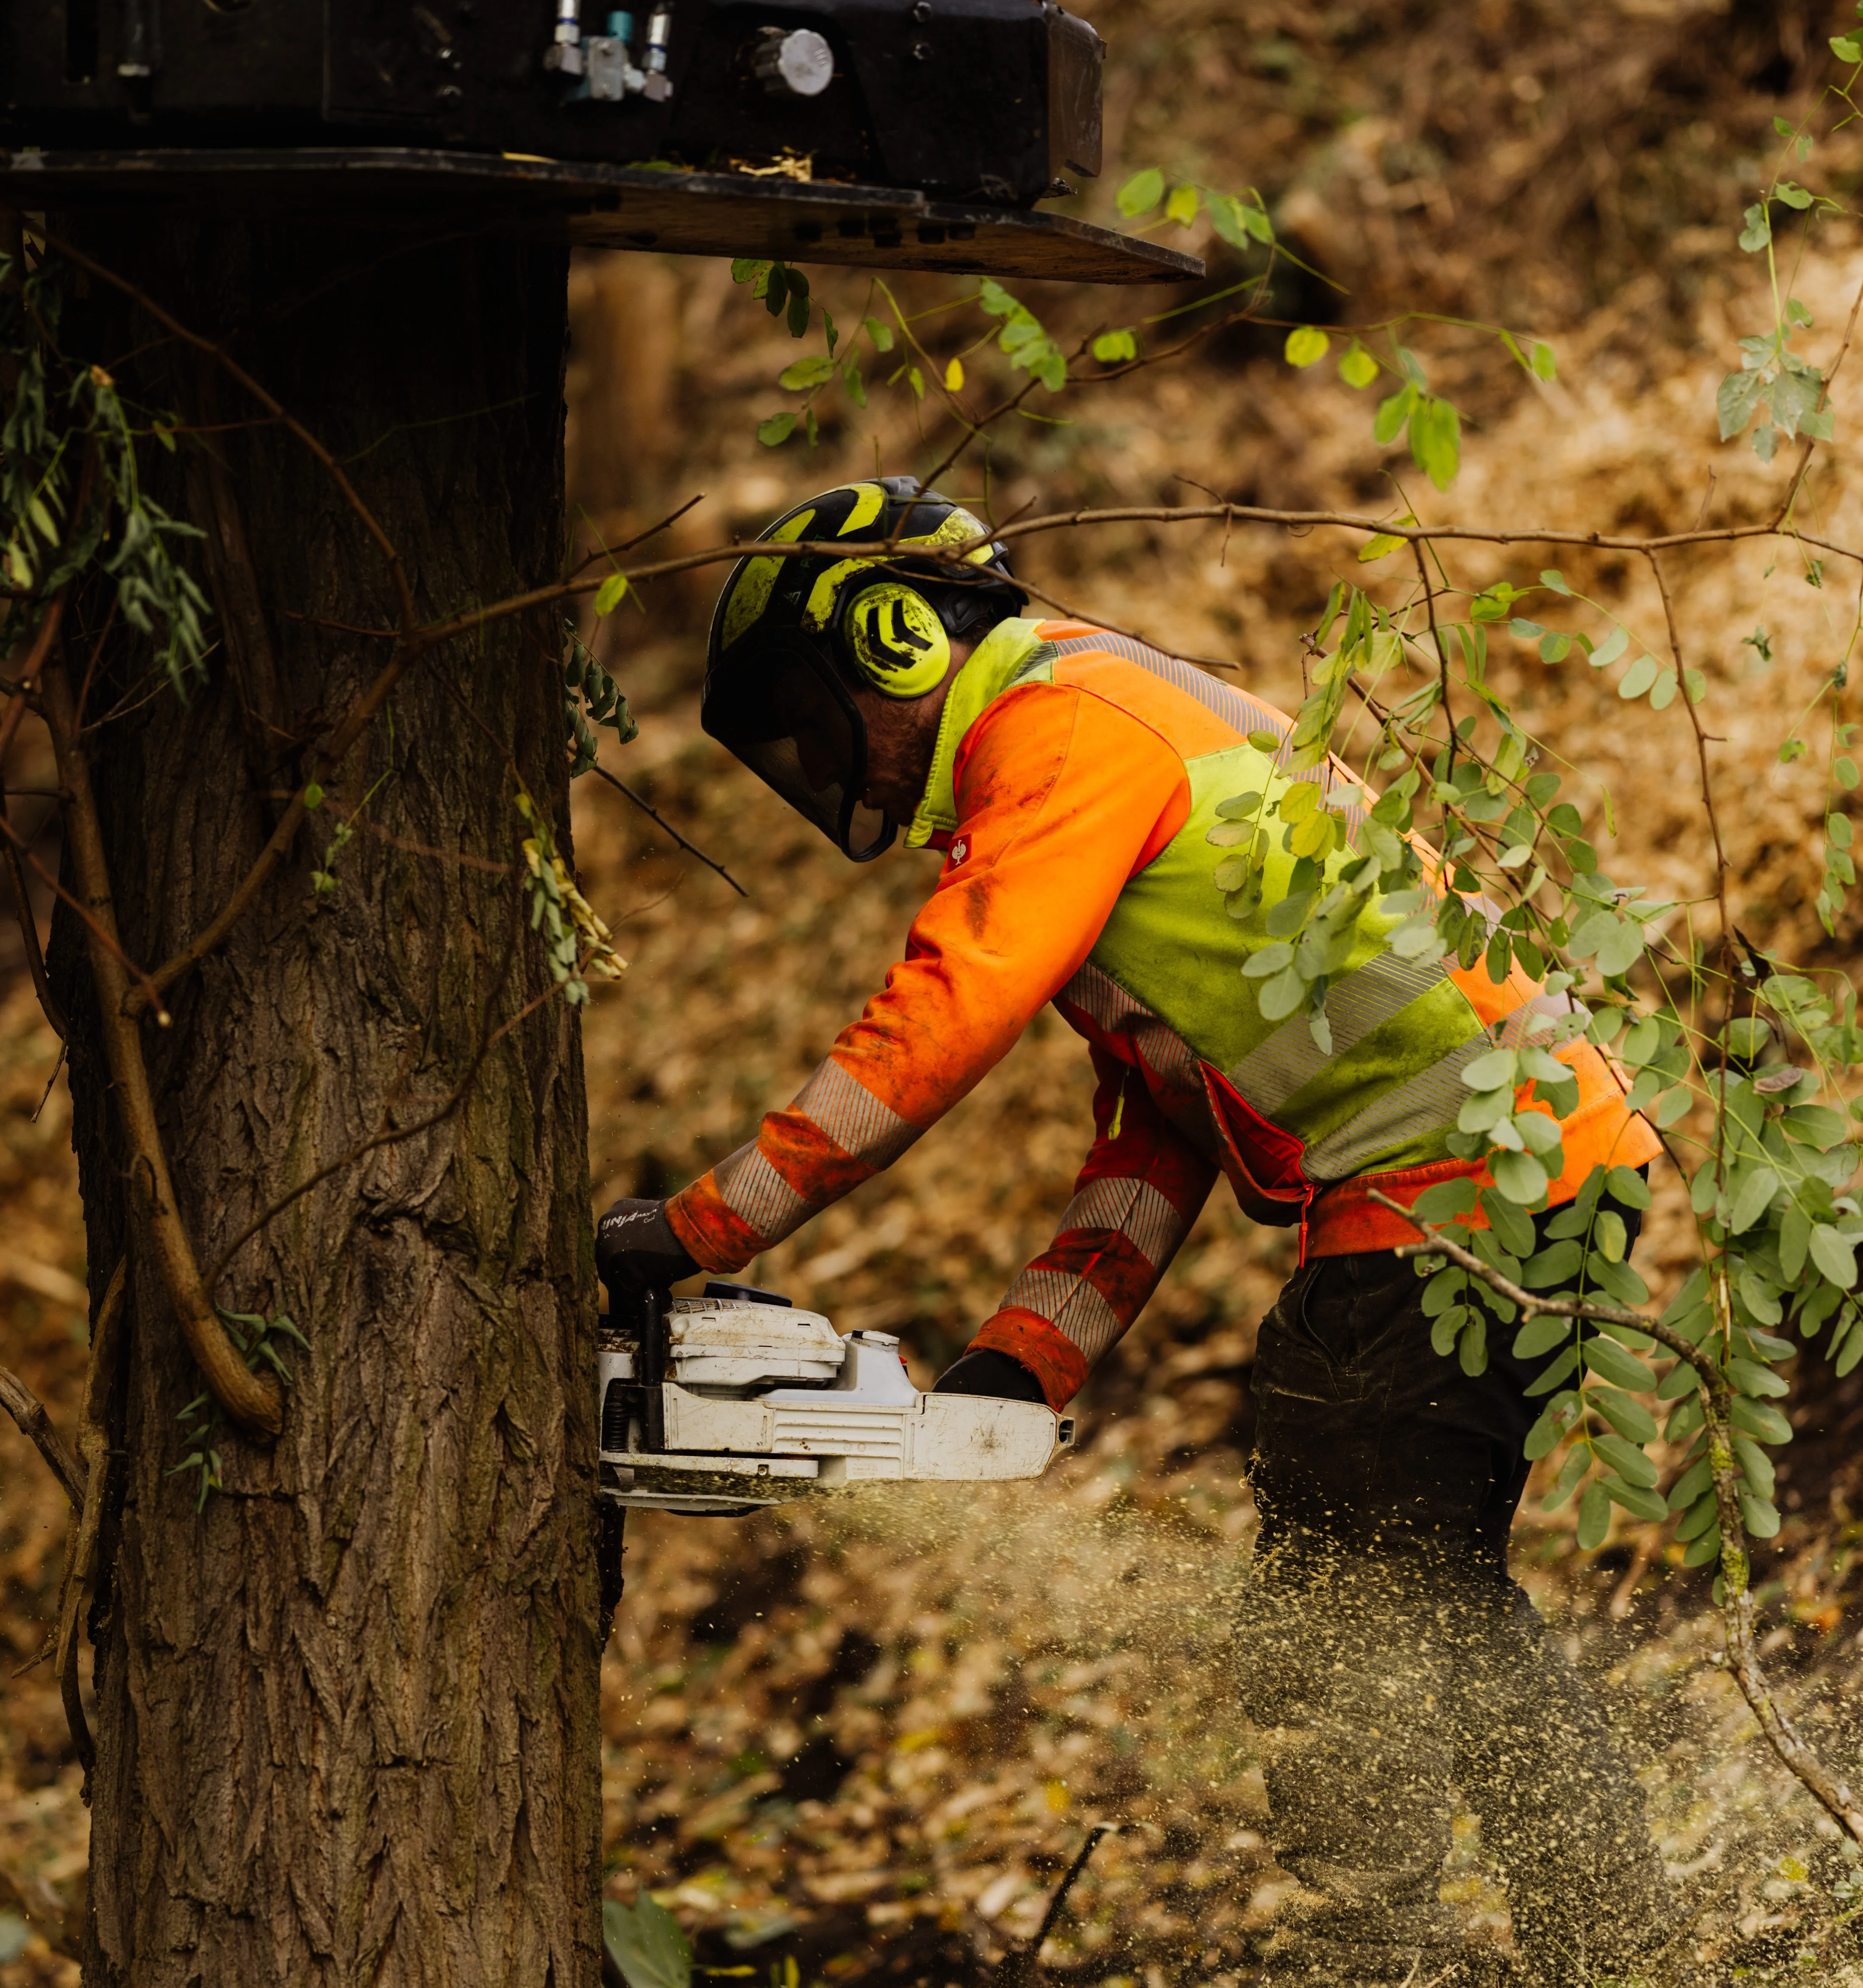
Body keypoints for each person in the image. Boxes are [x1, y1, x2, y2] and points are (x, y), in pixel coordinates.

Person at [596, 477, 1674, 1985]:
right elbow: (1157, 1135)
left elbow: (942, 1017)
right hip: (1514, 1166)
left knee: (1347, 1582)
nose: (814, 759)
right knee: (1413, 1579)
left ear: (895, 638)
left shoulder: (1060, 734)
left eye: (809, 710)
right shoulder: (1090, 740)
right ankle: (1596, 1943)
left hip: (1474, 1177)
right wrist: (1017, 1370)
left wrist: (698, 1228)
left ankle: (1397, 1949)